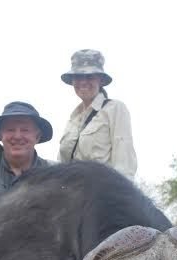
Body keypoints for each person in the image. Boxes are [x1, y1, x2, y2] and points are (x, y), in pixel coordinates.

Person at [58, 49, 137, 180]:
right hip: (70, 190)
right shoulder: (73, 118)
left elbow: (124, 164)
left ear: (100, 80)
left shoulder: (115, 109)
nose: (83, 82)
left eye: (90, 77)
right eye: (78, 77)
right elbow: (61, 165)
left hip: (102, 190)